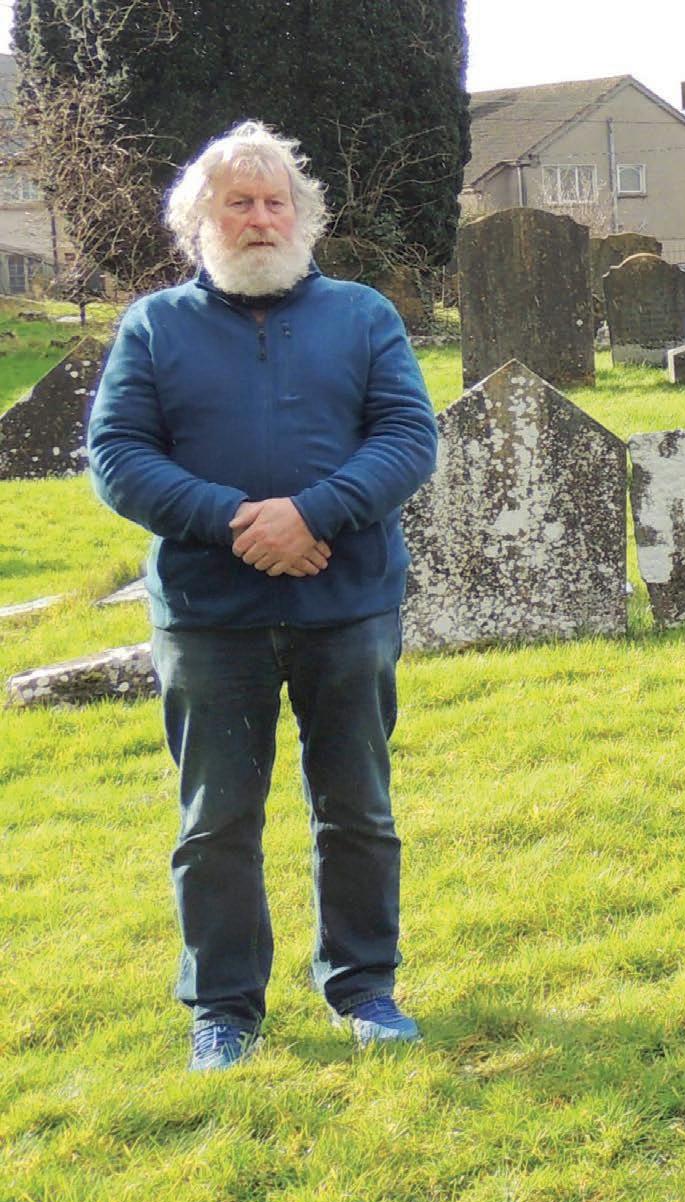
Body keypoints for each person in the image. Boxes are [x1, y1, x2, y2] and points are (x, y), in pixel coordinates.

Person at [88, 122, 438, 1067]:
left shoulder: (362, 315)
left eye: (275, 202)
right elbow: (116, 455)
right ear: (200, 221)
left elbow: (408, 438)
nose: (259, 219)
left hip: (346, 603)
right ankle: (225, 1008)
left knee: (357, 809)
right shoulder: (155, 325)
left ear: (302, 217)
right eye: (237, 203)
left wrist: (313, 513)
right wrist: (238, 520)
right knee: (216, 821)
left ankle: (364, 987)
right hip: (210, 616)